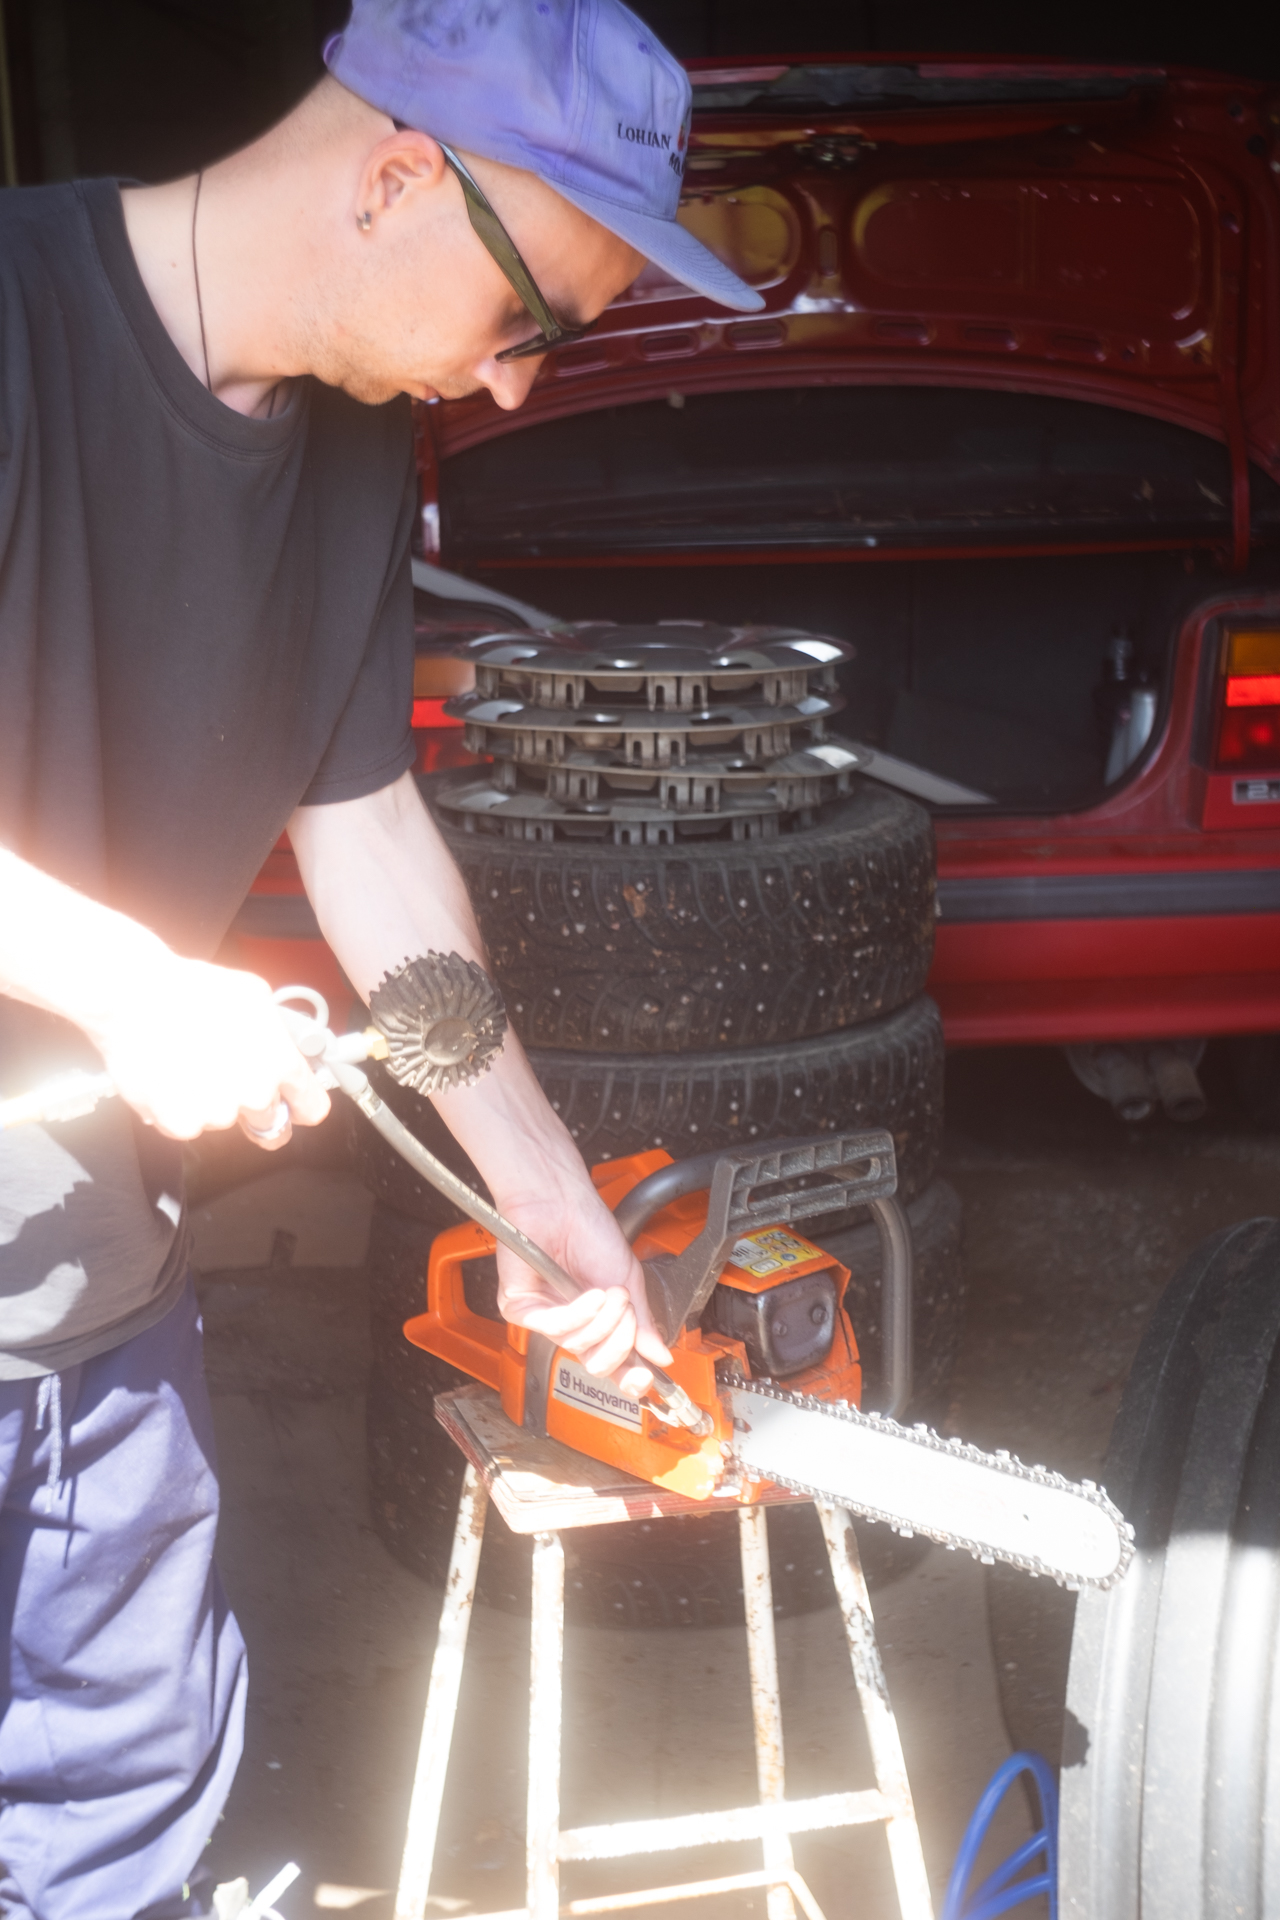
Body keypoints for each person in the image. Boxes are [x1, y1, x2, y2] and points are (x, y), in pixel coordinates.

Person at [0, 3, 761, 1912]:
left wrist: (540, 1185)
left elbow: (369, 838)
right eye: (532, 321)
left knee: (120, 1839)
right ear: (400, 179)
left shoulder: (350, 455)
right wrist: (130, 986)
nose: (514, 389)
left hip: (82, 1305)